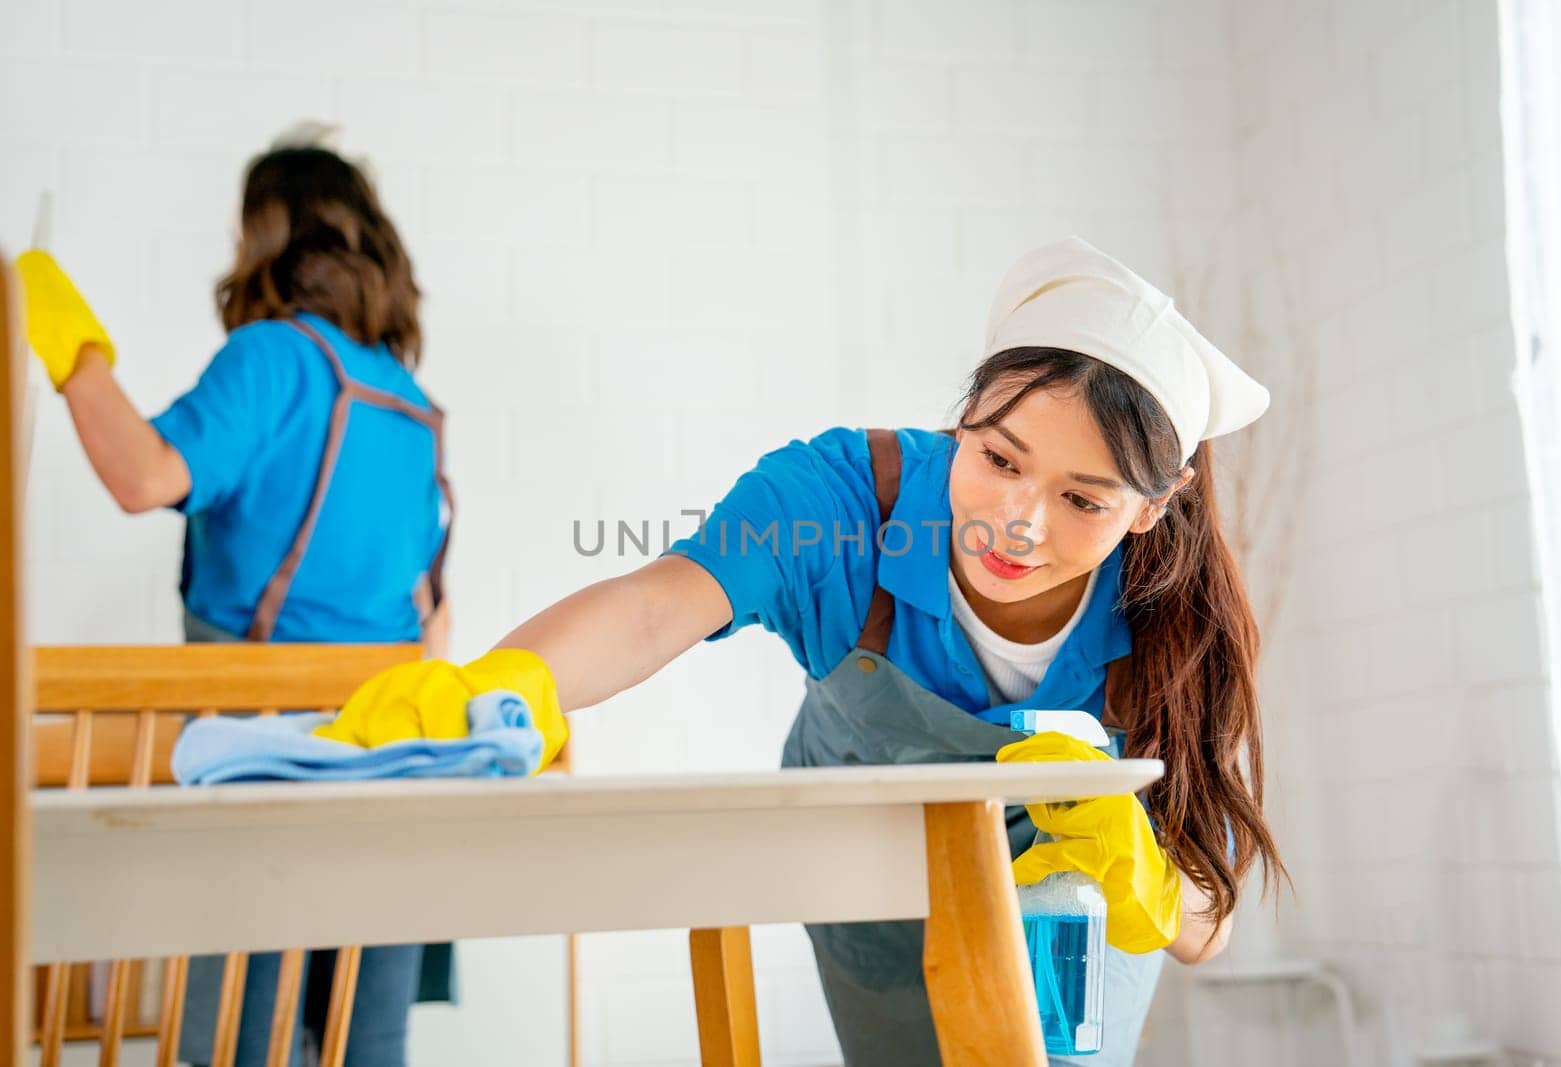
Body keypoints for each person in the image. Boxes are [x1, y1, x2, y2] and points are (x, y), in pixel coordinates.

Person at [294, 237, 1291, 1064]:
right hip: (872, 884)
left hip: (1075, 903)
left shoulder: (1173, 626)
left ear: (1154, 509)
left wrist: (1155, 889)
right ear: (962, 424)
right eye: (997, 460)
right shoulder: (844, 500)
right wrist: (506, 682)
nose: (1017, 525)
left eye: (1083, 499)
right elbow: (655, 605)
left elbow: (1212, 922)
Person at [16, 133, 451, 1066]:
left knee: (239, 1041)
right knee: (366, 1042)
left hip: (258, 750)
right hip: (390, 756)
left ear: (266, 238)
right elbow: (431, 613)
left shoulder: (270, 358)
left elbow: (144, 476)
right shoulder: (410, 400)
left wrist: (71, 344)